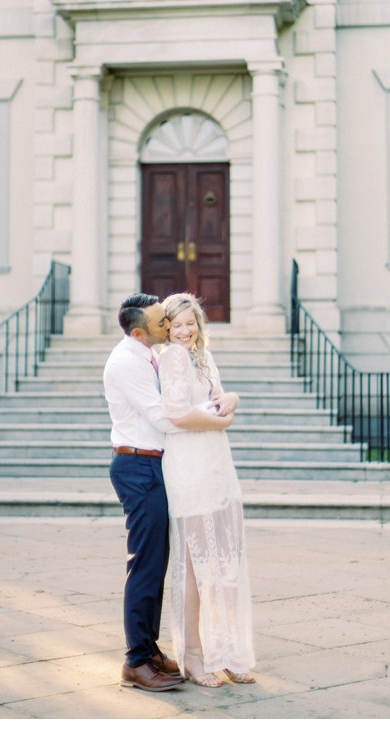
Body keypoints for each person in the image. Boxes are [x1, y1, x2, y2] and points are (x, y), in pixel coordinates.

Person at [103, 293, 238, 692]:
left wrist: (225, 398)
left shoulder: (150, 354)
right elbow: (167, 416)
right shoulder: (128, 362)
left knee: (157, 562)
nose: (169, 326)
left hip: (153, 463)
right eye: (162, 322)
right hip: (137, 465)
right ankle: (136, 660)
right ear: (140, 330)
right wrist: (220, 418)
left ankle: (151, 649)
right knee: (144, 565)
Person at [158, 292, 256, 687]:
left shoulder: (202, 355)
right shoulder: (172, 357)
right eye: (177, 324)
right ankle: (194, 656)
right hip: (189, 464)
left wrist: (233, 397)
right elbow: (178, 414)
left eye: (190, 323)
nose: (184, 331)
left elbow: (218, 399)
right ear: (167, 327)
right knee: (197, 567)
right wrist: (223, 422)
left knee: (224, 562)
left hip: (216, 463)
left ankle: (226, 651)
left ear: (199, 324)